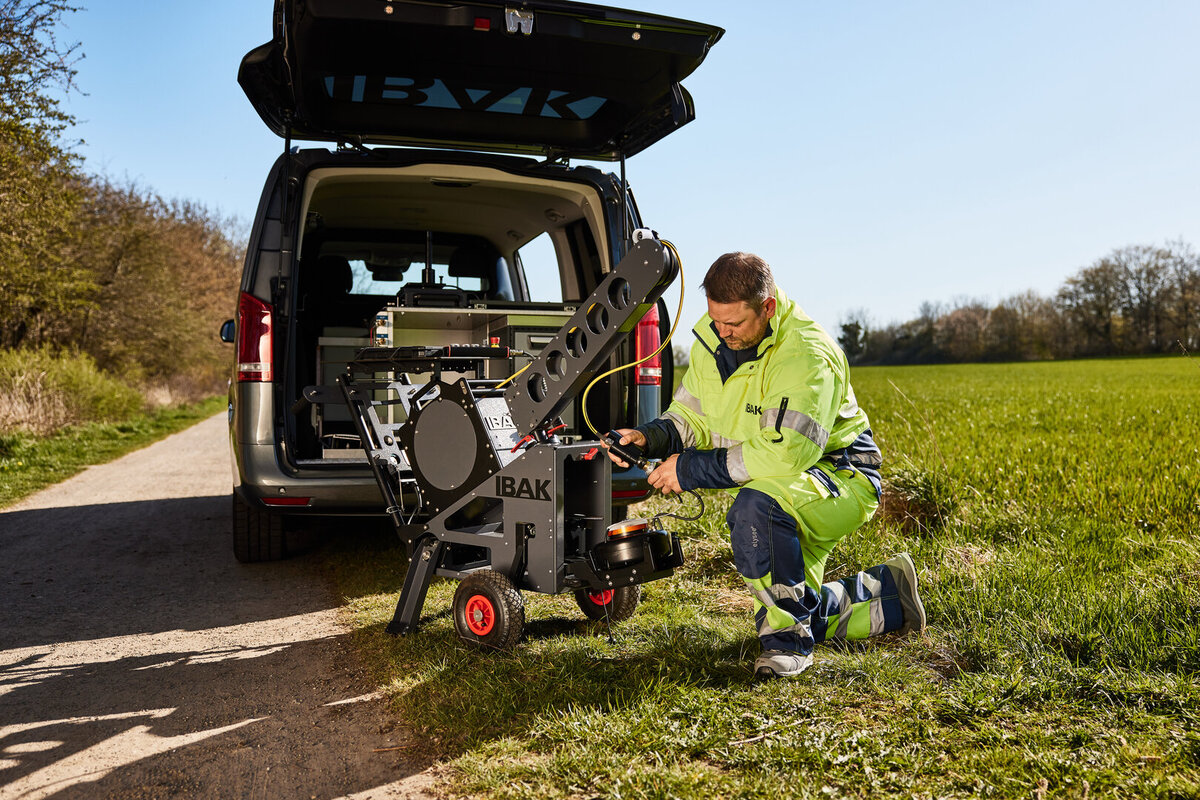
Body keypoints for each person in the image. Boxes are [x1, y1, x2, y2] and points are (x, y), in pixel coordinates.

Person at [607, 252, 925, 680]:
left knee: (756, 510)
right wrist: (650, 436)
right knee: (792, 599)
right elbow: (693, 417)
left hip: (839, 475)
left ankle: (787, 648)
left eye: (734, 324)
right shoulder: (712, 338)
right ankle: (891, 595)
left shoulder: (807, 355)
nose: (723, 332)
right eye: (716, 320)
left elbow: (784, 455)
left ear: (768, 307)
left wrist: (688, 470)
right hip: (784, 483)